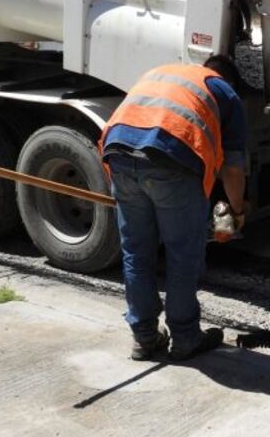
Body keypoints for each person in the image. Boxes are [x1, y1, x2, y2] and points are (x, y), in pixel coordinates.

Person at [99, 56, 248, 361]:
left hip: (117, 154)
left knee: (136, 253)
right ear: (228, 80)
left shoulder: (162, 72)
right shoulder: (225, 92)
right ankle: (185, 337)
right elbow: (233, 169)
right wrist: (237, 211)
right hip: (171, 161)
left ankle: (145, 339)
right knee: (183, 254)